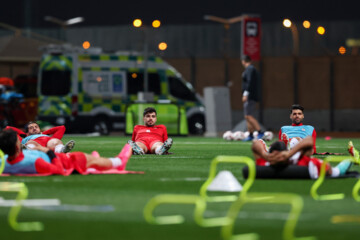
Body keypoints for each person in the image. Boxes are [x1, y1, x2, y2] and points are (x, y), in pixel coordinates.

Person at [0, 129, 132, 175]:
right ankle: (118, 162)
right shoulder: (34, 162)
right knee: (85, 158)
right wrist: (48, 152)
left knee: (92, 160)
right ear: (17, 147)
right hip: (66, 162)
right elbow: (58, 170)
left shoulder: (4, 162)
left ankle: (95, 161)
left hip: (53, 153)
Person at [252, 137, 358, 179]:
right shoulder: (266, 162)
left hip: (326, 168)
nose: (278, 158)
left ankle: (354, 158)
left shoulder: (297, 159)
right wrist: (266, 155)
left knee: (338, 170)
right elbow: (255, 143)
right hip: (317, 167)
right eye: (275, 156)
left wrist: (288, 154)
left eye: (280, 156)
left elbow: (309, 140)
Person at [6, 121, 75, 153]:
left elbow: (61, 128)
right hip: (35, 146)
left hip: (49, 146)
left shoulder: (46, 136)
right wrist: (24, 135)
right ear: (27, 132)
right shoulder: (24, 139)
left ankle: (62, 150)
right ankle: (28, 150)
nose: (34, 128)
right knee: (31, 142)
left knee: (55, 141)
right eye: (31, 128)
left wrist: (42, 134)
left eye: (36, 127)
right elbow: (8, 128)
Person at [241, 55, 264, 141]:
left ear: (243, 61)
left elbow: (249, 82)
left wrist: (245, 94)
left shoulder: (250, 69)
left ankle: (260, 131)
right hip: (250, 95)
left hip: (250, 96)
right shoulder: (250, 69)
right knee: (247, 116)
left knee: (248, 116)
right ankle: (250, 134)